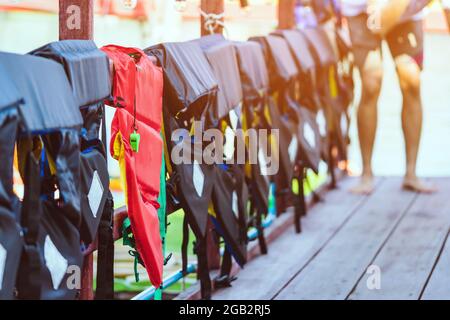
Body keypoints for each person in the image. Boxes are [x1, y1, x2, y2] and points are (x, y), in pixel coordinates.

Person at [341, 0, 444, 194]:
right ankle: (366, 175)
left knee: (412, 82)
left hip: (406, 13)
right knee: (371, 84)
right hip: (362, 11)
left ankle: (411, 174)